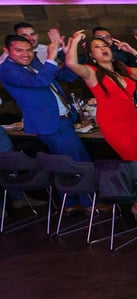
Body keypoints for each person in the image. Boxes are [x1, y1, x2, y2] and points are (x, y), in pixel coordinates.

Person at [64, 30, 137, 221]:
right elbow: (71, 63)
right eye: (97, 47)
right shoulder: (91, 72)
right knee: (134, 162)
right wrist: (74, 42)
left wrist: (131, 50)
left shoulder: (123, 70)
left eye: (105, 45)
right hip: (114, 124)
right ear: (92, 56)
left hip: (133, 122)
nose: (103, 49)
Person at [0, 32, 94, 208]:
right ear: (7, 50)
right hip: (51, 123)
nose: (26, 54)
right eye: (19, 50)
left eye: (29, 50)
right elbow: (39, 82)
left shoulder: (34, 63)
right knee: (78, 162)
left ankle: (70, 203)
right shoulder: (7, 70)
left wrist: (67, 55)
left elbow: (67, 76)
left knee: (66, 162)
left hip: (64, 119)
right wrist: (51, 58)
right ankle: (88, 204)